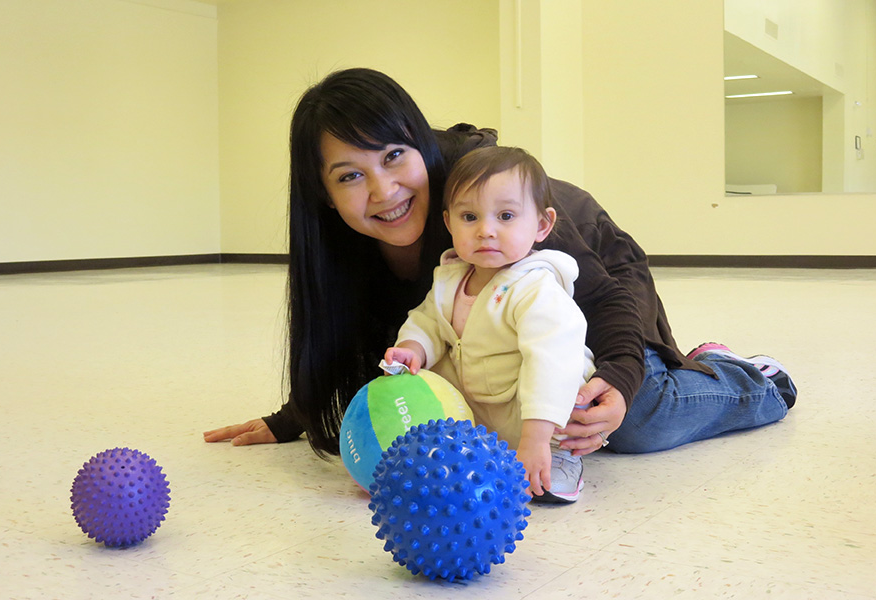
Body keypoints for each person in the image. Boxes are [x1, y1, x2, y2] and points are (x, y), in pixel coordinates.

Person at [204, 67, 796, 466]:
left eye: (393, 156)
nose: (383, 190)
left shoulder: (491, 203)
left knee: (631, 421)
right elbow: (363, 341)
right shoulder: (347, 242)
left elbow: (608, 298)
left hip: (595, 280)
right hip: (499, 326)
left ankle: (746, 377)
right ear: (323, 196)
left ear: (421, 146)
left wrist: (619, 378)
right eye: (350, 175)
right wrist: (295, 417)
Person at [383, 146, 595, 503]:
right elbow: (427, 321)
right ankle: (475, 448)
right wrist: (413, 349)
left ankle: (557, 456)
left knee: (566, 393)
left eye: (506, 216)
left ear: (542, 225)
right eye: (470, 217)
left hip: (540, 407)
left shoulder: (535, 288)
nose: (486, 231)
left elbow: (553, 360)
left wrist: (536, 438)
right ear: (449, 223)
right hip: (482, 400)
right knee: (430, 377)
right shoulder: (450, 279)